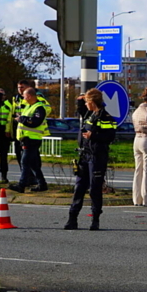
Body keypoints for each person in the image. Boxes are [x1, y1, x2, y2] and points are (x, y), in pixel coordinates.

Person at [65, 89, 117, 230]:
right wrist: (79, 100)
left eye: (88, 102)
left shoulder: (105, 117)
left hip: (97, 157)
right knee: (79, 187)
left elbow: (110, 137)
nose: (86, 105)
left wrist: (92, 136)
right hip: (84, 155)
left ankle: (95, 219)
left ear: (92, 102)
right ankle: (72, 219)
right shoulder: (90, 114)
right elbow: (81, 110)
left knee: (94, 188)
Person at [8, 87, 49, 193]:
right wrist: (21, 118)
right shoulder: (29, 106)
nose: (23, 97)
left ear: (30, 96)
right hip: (26, 138)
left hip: (32, 139)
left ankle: (22, 185)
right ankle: (42, 184)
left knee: (25, 162)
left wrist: (22, 119)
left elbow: (35, 122)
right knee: (33, 164)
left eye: (25, 96)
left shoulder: (39, 107)